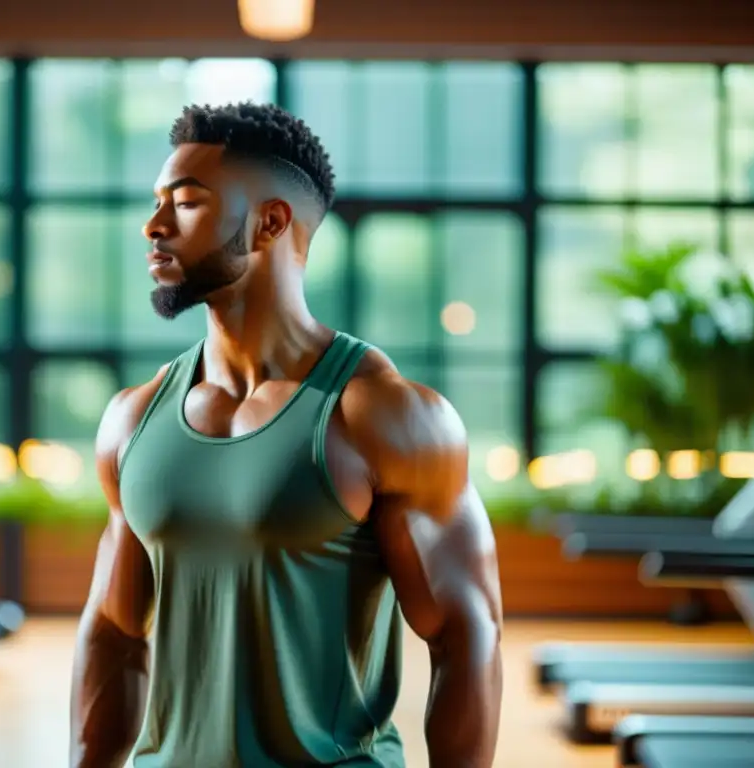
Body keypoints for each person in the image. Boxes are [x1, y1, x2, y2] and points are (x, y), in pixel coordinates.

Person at [70, 102, 503, 768]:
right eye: (157, 202)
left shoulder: (384, 415)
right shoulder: (134, 418)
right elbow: (114, 632)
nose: (153, 226)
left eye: (186, 204)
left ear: (270, 222)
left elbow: (464, 638)